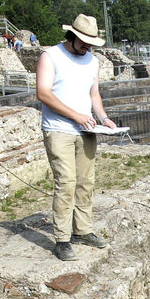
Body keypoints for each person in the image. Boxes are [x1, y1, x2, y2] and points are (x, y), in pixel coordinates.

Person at [35, 14, 117, 261]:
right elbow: (43, 93)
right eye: (83, 41)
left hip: (87, 130)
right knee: (66, 182)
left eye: (91, 42)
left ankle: (82, 230)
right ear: (71, 36)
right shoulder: (50, 56)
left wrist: (103, 119)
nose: (87, 46)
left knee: (85, 181)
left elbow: (94, 95)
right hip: (58, 129)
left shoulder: (92, 62)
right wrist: (76, 116)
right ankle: (62, 239)